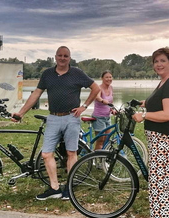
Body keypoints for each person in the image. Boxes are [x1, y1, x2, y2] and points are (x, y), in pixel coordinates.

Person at [12, 46, 100, 200]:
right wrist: (21, 113)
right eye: (60, 55)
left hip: (71, 118)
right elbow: (36, 94)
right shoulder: (47, 74)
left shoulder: (77, 73)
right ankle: (55, 188)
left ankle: (69, 188)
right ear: (55, 57)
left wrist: (84, 106)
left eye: (65, 56)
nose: (62, 58)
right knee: (46, 154)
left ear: (69, 58)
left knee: (71, 153)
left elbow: (95, 88)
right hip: (53, 118)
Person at [132, 47, 169, 218]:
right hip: (158, 139)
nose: (159, 64)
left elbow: (168, 114)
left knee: (159, 182)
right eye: (156, 61)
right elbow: (159, 101)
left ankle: (162, 215)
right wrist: (143, 103)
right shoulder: (164, 82)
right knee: (157, 181)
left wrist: (144, 115)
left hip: (166, 139)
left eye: (162, 61)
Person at [92, 70, 114, 150]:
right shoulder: (99, 88)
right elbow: (97, 97)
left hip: (107, 117)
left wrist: (112, 109)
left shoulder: (111, 88)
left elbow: (111, 101)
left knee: (107, 139)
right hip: (99, 117)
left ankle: (103, 158)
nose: (109, 79)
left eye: (110, 77)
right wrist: (102, 100)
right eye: (106, 77)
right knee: (100, 140)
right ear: (102, 78)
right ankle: (95, 158)